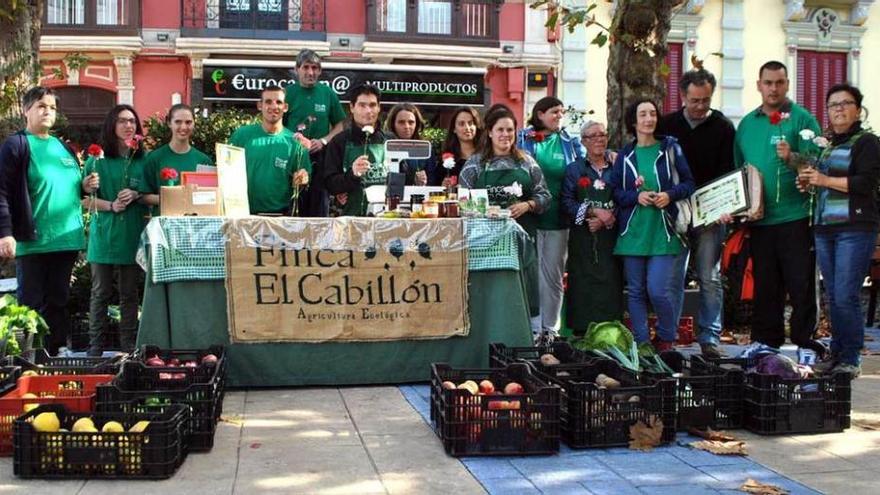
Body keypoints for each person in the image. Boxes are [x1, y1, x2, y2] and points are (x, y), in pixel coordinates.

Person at [734, 60, 825, 358]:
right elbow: (740, 173)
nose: (773, 88)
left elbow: (817, 165)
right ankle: (766, 344)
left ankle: (805, 343)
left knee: (800, 285)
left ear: (787, 84)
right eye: (768, 83)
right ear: (758, 85)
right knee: (766, 286)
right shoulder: (746, 124)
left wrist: (792, 157)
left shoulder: (803, 120)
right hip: (760, 221)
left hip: (796, 217)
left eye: (779, 82)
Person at [0, 86, 99, 355]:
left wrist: (85, 186)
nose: (47, 111)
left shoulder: (62, 147)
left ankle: (56, 352)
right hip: (34, 240)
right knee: (30, 304)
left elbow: (68, 188)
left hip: (65, 238)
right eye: (41, 106)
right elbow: (3, 191)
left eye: (52, 108)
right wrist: (5, 233)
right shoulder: (16, 145)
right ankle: (28, 357)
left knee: (58, 301)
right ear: (26, 110)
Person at [797, 83, 880, 377]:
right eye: (833, 105)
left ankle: (851, 358)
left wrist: (822, 180)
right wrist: (809, 184)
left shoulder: (867, 142)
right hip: (825, 227)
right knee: (833, 295)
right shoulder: (829, 145)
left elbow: (864, 184)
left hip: (854, 227)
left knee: (846, 294)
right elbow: (823, 184)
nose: (839, 109)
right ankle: (837, 353)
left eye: (845, 103)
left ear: (858, 109)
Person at [657, 69, 736, 358]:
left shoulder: (724, 127)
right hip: (675, 212)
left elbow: (729, 172)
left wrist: (725, 207)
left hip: (710, 213)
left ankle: (710, 337)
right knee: (672, 277)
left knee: (710, 276)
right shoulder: (666, 125)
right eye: (695, 101)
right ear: (682, 96)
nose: (701, 106)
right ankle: (669, 336)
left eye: (705, 100)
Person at [611, 99, 695, 351]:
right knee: (635, 291)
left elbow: (689, 183)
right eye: (643, 114)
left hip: (664, 230)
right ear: (634, 122)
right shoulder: (625, 154)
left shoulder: (670, 148)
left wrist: (669, 195)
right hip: (633, 232)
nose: (649, 119)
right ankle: (642, 343)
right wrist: (636, 196)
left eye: (652, 114)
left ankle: (667, 338)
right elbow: (616, 192)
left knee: (658, 290)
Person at [459, 105, 551, 327]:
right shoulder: (475, 164)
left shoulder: (527, 162)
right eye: (500, 129)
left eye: (510, 130)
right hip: (483, 242)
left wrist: (528, 205)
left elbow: (545, 196)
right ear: (489, 132)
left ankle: (528, 332)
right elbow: (461, 202)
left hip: (522, 238)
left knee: (523, 283)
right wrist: (483, 212)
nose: (505, 135)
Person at [517, 97, 586, 342]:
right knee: (532, 274)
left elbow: (584, 166)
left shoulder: (569, 141)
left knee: (554, 277)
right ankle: (533, 329)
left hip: (559, 217)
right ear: (540, 114)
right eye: (555, 112)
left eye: (562, 112)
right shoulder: (523, 138)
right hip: (530, 217)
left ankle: (551, 330)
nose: (559, 116)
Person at [83, 104, 150, 355]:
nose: (128, 126)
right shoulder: (97, 159)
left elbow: (151, 192)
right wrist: (110, 205)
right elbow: (84, 200)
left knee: (129, 294)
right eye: (122, 121)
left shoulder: (142, 160)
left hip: (131, 234)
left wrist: (136, 193)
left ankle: (128, 347)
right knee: (100, 292)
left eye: (132, 121)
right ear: (112, 125)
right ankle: (95, 348)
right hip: (103, 234)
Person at [560, 120, 623, 335]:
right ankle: (581, 334)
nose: (599, 139)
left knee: (611, 284)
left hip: (612, 240)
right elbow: (566, 203)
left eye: (602, 135)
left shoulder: (618, 167)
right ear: (584, 141)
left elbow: (626, 198)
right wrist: (593, 212)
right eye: (593, 136)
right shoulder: (575, 169)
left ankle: (611, 333)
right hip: (583, 239)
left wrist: (610, 217)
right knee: (582, 286)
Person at [229, 85, 311, 215]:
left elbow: (304, 182)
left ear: (285, 107)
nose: (273, 106)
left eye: (279, 102)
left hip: (281, 217)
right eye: (268, 102)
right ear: (259, 105)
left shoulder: (295, 142)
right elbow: (226, 173)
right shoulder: (241, 136)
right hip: (243, 214)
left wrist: (302, 180)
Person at [284, 49, 347, 217]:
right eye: (306, 67)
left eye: (314, 68)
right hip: (293, 159)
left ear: (320, 71)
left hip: (321, 159)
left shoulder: (328, 93)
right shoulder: (286, 93)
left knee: (319, 208)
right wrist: (295, 139)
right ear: (296, 69)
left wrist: (324, 141)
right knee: (294, 207)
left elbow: (341, 124)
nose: (310, 72)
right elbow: (278, 127)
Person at [324, 84, 389, 217]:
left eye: (372, 105)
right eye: (362, 105)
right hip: (350, 219)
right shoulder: (339, 141)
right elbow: (330, 183)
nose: (368, 110)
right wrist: (352, 174)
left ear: (379, 108)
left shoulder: (390, 141)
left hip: (387, 218)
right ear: (352, 107)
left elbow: (404, 178)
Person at [142, 104, 212, 207]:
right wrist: (174, 198)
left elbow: (211, 197)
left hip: (195, 221)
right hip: (164, 221)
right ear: (169, 123)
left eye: (188, 122)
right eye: (178, 122)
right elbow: (143, 196)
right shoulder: (155, 158)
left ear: (194, 124)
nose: (183, 127)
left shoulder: (204, 161)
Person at [433, 106, 482, 186]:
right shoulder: (446, 159)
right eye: (461, 124)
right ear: (454, 129)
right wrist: (443, 186)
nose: (467, 128)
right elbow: (436, 186)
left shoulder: (485, 156)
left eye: (470, 123)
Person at [383, 103, 429, 186]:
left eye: (411, 122)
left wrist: (422, 182)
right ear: (393, 124)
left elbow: (433, 181)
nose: (407, 126)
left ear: (417, 124)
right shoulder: (383, 146)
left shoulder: (425, 148)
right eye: (401, 122)